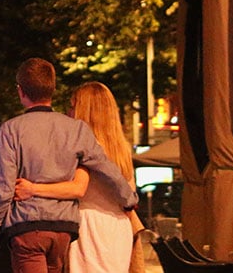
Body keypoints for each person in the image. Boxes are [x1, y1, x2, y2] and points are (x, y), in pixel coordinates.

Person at [0, 58, 137, 273]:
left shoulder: (11, 130)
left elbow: (3, 188)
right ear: (52, 89)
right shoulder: (76, 129)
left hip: (28, 227)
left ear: (20, 91)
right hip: (64, 230)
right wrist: (128, 199)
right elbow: (106, 167)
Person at [11, 81, 146, 273]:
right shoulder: (121, 148)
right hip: (118, 229)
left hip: (91, 230)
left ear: (85, 111)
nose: (68, 112)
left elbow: (77, 188)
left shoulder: (88, 148)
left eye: (73, 106)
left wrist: (32, 188)